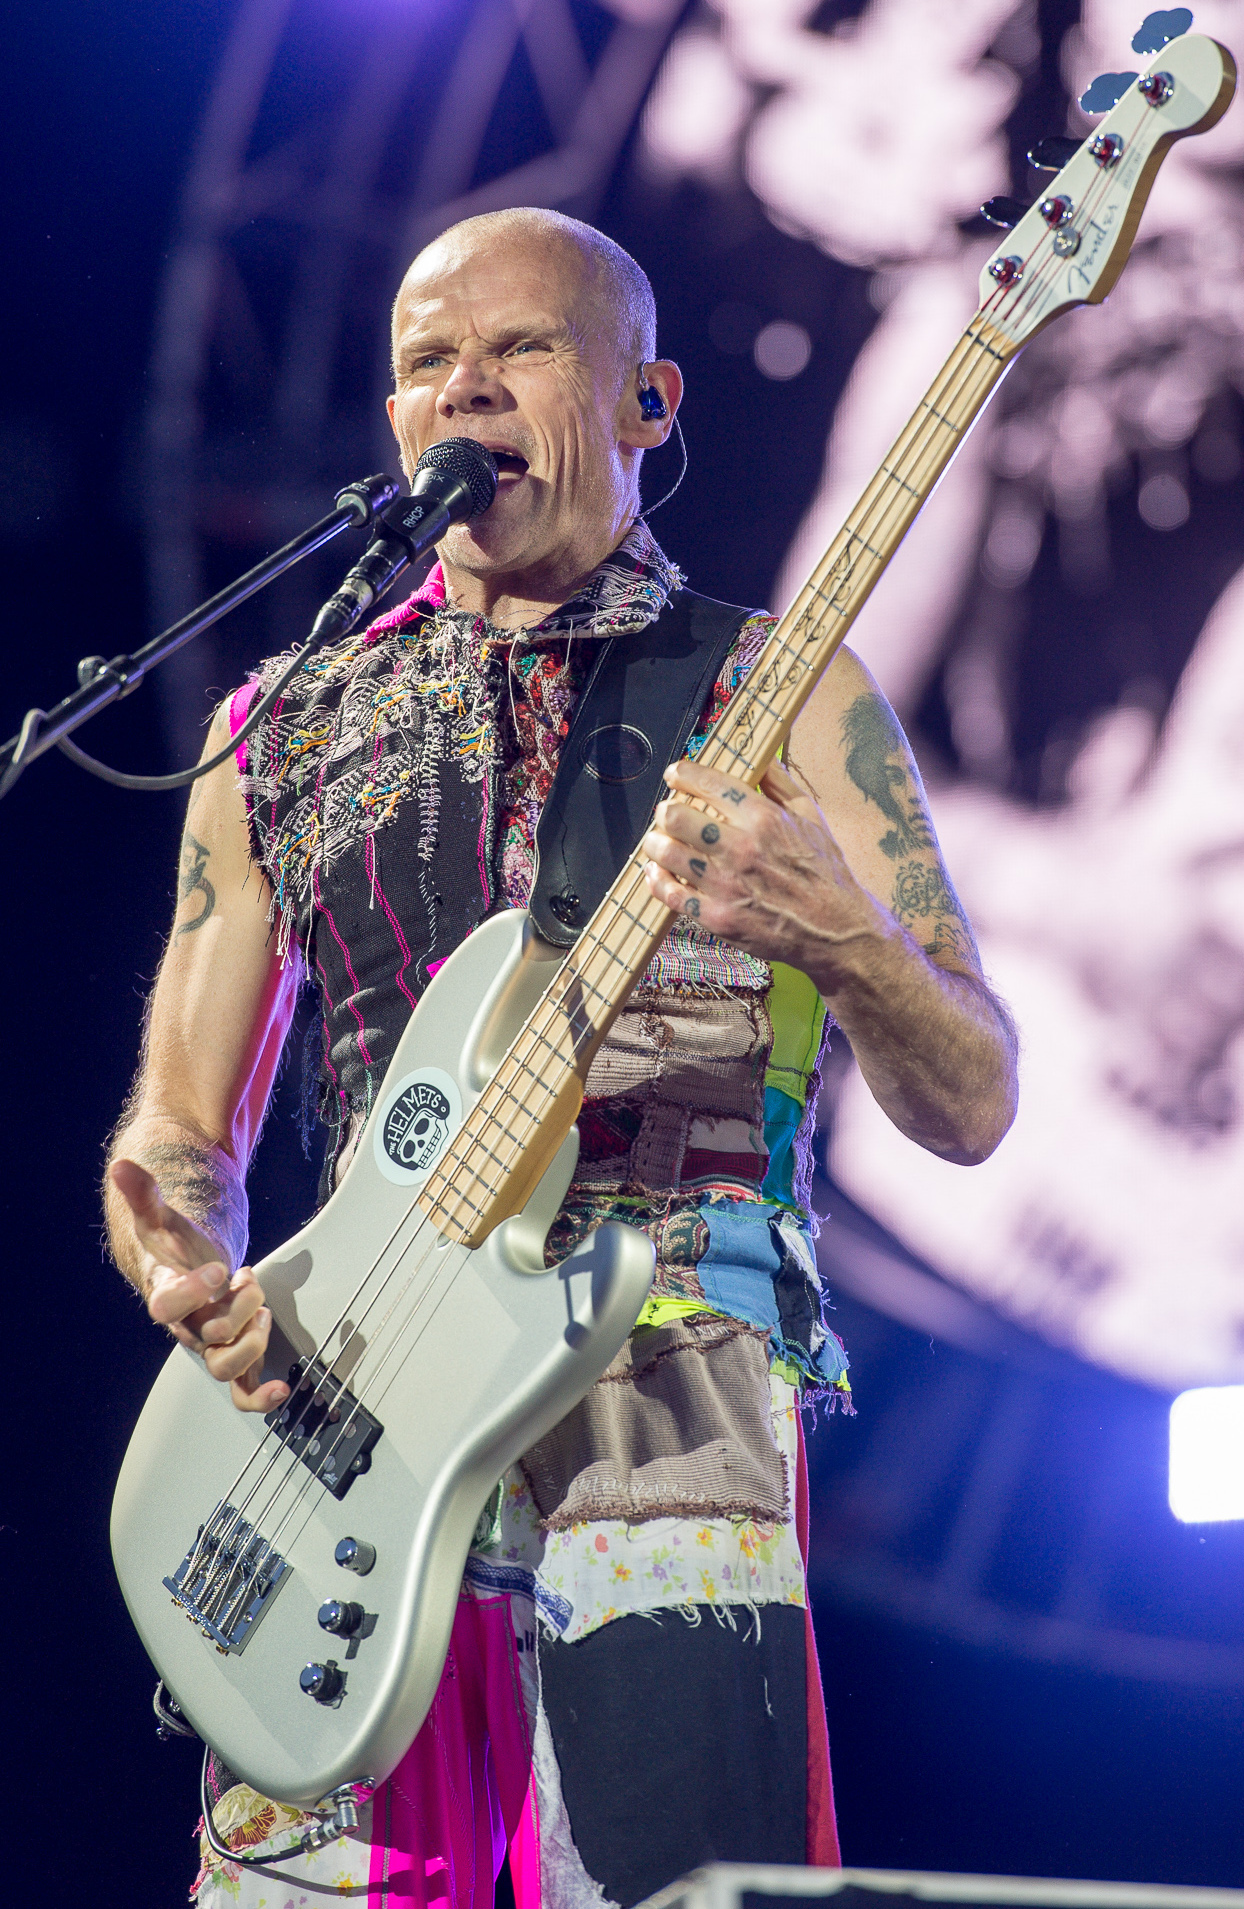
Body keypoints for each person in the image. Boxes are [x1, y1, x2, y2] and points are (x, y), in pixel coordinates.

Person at [105, 208, 1017, 1908]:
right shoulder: (279, 730)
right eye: (424, 364)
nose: (465, 389)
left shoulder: (785, 694)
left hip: (667, 1395)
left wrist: (845, 938)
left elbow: (973, 1100)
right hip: (350, 1399)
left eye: (520, 348)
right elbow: (178, 1125)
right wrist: (180, 1256)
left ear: (648, 401)